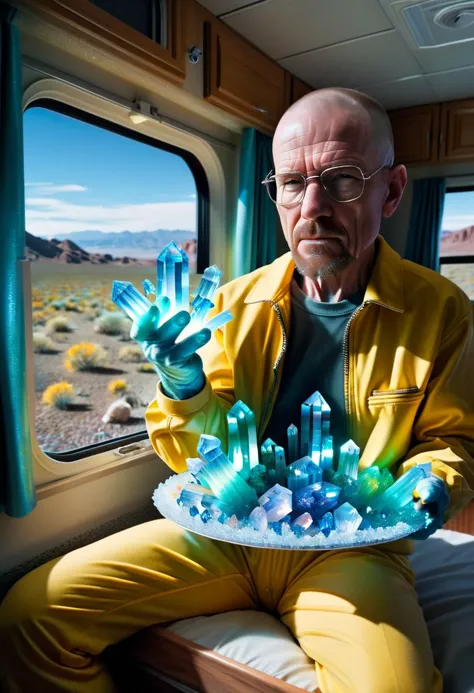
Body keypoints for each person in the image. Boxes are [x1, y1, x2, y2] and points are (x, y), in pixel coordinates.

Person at [1, 88, 473, 693]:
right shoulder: (231, 305)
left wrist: (434, 482)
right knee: (29, 618)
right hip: (226, 529)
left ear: (395, 190)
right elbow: (199, 452)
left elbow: (453, 439)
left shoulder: (440, 312)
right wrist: (183, 384)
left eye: (343, 180)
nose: (313, 209)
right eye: (293, 184)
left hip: (354, 550)